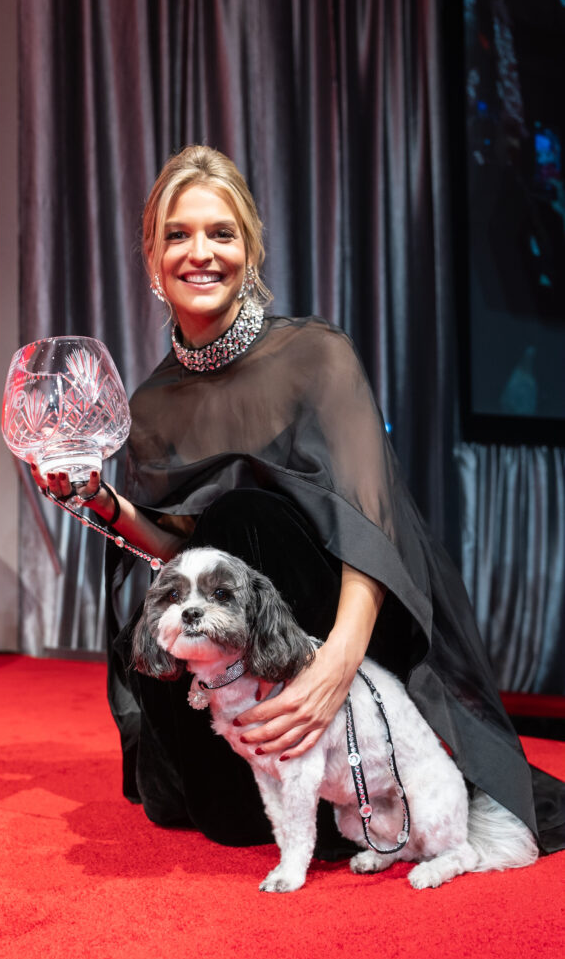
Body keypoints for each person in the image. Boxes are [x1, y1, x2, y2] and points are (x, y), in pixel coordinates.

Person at [32, 145, 565, 854]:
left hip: (337, 628)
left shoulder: (316, 354)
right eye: (178, 235)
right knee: (219, 824)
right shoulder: (151, 403)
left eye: (221, 233)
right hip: (231, 644)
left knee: (242, 516)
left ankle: (367, 772)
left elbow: (373, 529)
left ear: (248, 249)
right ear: (154, 261)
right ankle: (308, 791)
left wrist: (332, 669)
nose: (201, 252)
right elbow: (180, 551)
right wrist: (96, 500)